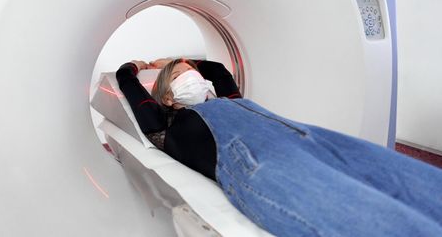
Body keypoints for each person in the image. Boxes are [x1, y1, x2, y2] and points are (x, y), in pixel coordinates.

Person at [116, 58, 442, 236]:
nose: (193, 75)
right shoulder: (167, 127)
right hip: (256, 160)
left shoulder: (230, 100)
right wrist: (138, 67)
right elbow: (129, 85)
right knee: (375, 218)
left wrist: (183, 61)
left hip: (310, 137)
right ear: (167, 97)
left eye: (191, 71)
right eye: (181, 74)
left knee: (417, 181)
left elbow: (215, 68)